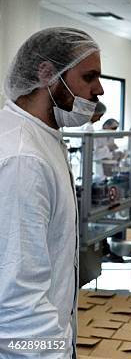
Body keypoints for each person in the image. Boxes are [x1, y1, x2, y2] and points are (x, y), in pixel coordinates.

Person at [0, 27, 103, 358]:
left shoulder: (41, 139)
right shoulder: (23, 157)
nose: (99, 89)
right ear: (47, 73)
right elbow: (17, 301)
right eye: (89, 77)